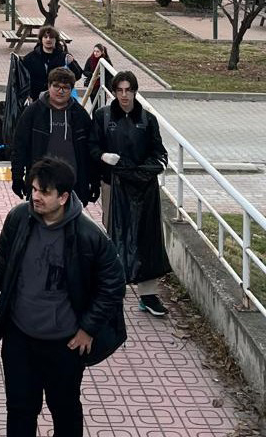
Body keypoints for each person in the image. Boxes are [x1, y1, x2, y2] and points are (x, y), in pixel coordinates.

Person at [0, 157, 126, 437]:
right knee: (20, 411)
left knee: (65, 412)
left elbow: (113, 283)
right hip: (20, 338)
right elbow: (2, 259)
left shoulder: (88, 236)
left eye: (44, 191)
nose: (35, 196)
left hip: (64, 345)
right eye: (33, 189)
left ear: (64, 197)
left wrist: (89, 327)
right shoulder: (19, 219)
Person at [93, 70, 171, 317]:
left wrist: (141, 172)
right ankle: (114, 284)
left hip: (143, 188)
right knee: (113, 233)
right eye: (120, 90)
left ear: (135, 91)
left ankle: (148, 294)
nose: (124, 95)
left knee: (147, 237)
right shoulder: (103, 117)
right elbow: (92, 146)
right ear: (114, 92)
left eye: (129, 90)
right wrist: (102, 157)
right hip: (113, 185)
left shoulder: (147, 120)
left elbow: (159, 153)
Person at [11, 67, 98, 205]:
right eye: (56, 86)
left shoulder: (80, 115)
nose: (61, 91)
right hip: (40, 183)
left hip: (73, 185)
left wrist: (94, 181)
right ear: (48, 86)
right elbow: (20, 146)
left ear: (71, 90)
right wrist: (17, 177)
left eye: (66, 87)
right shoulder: (33, 112)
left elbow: (90, 150)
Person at [21, 26, 83, 101]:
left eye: (51, 37)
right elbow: (23, 79)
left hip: (59, 99)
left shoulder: (64, 56)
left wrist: (71, 64)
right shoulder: (30, 58)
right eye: (45, 37)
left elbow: (78, 75)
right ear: (41, 39)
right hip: (36, 99)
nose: (48, 39)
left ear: (56, 40)